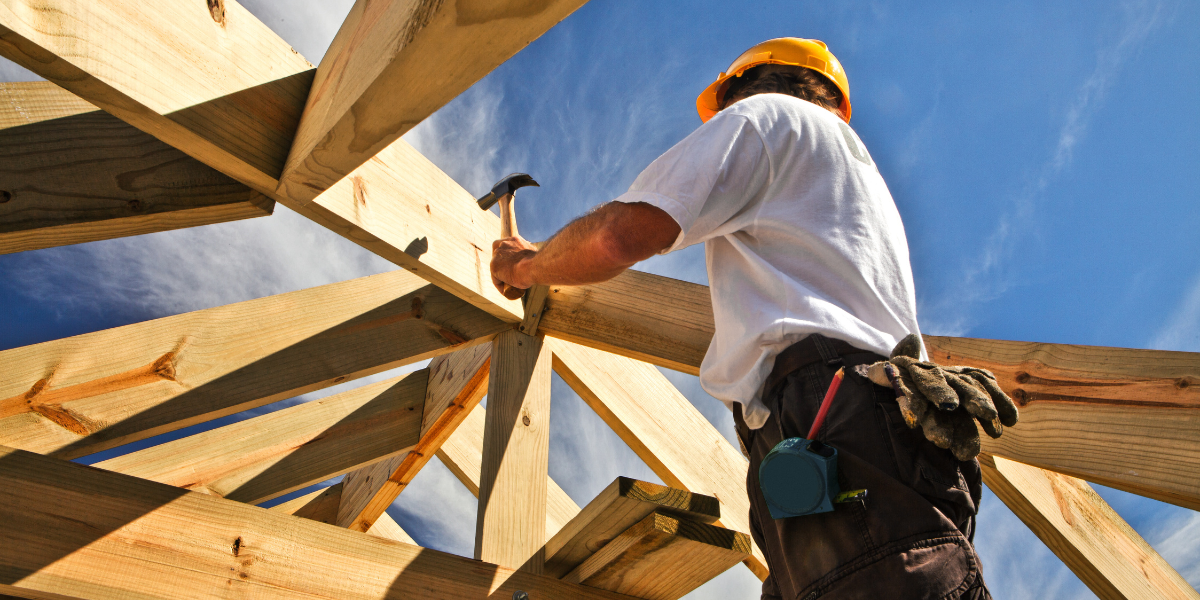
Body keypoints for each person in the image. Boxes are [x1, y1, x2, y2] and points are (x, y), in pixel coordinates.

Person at [490, 38, 994, 599]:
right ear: (838, 101)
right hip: (878, 436)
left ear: (741, 91)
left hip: (828, 417)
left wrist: (529, 265)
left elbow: (620, 234)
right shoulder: (850, 182)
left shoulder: (767, 118)